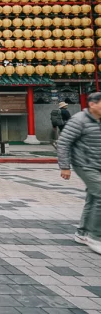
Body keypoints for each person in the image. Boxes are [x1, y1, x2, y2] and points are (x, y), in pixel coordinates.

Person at [57, 91, 101, 254]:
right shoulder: (79, 120)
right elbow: (64, 142)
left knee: (93, 197)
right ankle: (96, 236)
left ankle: (82, 233)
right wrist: (64, 166)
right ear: (92, 104)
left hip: (98, 165)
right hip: (85, 165)